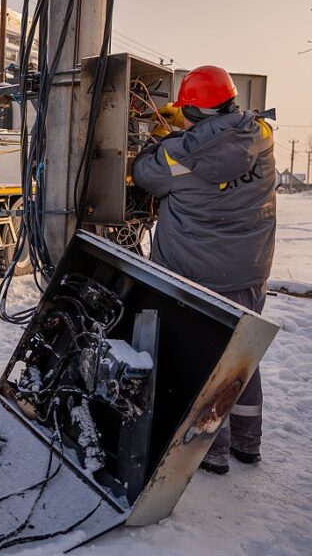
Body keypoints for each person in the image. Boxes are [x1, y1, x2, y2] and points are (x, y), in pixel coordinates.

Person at [132, 65, 276, 475]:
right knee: (242, 351)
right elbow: (219, 142)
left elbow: (147, 173)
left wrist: (162, 137)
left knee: (202, 354)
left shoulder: (179, 156)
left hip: (195, 272)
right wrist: (191, 128)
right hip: (250, 269)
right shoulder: (261, 136)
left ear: (192, 111)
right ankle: (248, 445)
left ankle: (211, 450)